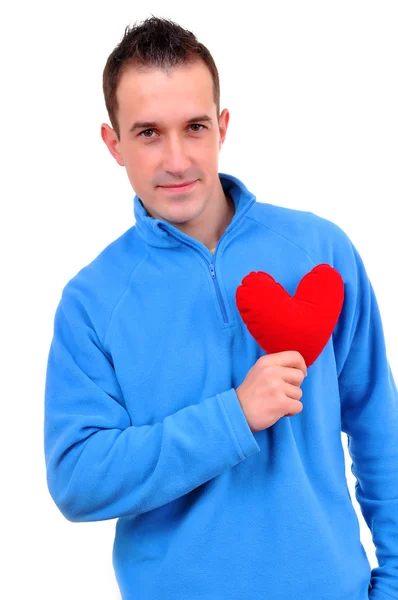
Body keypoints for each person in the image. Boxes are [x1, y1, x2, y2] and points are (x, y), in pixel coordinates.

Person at [44, 15, 398, 600]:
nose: (178, 159)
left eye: (195, 127)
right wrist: (233, 416)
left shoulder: (319, 251)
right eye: (149, 133)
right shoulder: (92, 301)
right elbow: (78, 479)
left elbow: (378, 427)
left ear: (223, 126)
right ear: (113, 143)